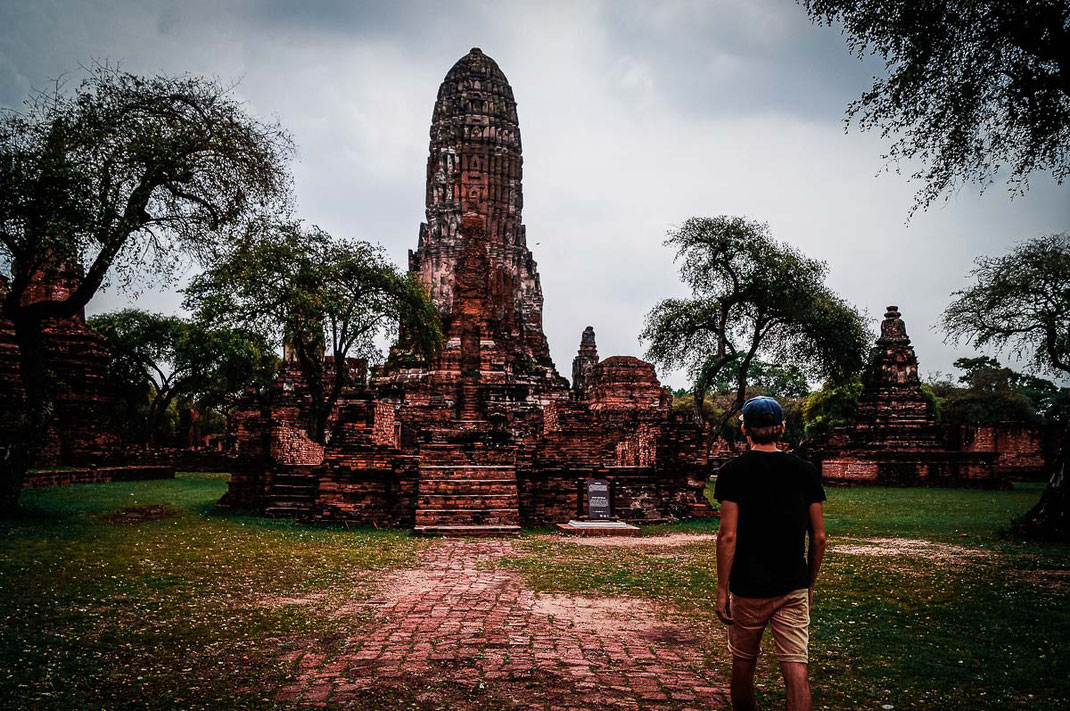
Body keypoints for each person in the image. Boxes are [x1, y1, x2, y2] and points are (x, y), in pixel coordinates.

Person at [714, 396, 827, 711]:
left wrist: (722, 590)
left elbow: (728, 536)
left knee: (743, 664)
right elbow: (818, 537)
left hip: (748, 586)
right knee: (795, 667)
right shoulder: (805, 470)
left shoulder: (733, 471)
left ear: (745, 431)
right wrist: (809, 583)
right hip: (792, 584)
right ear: (782, 428)